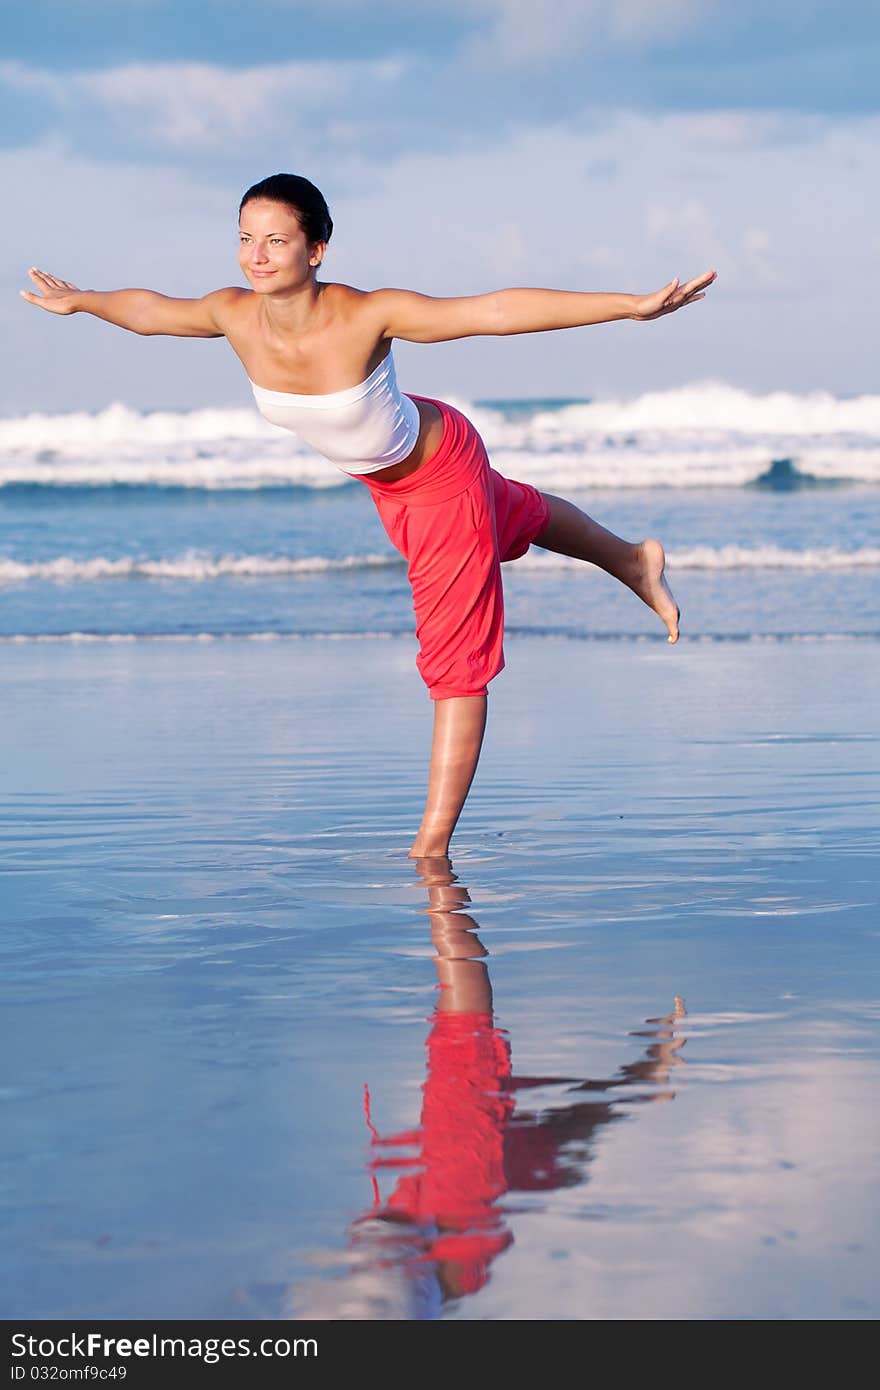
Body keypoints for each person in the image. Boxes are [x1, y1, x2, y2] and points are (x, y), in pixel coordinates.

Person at [21, 172, 716, 858]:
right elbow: (148, 312)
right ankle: (632, 559)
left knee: (454, 661)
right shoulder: (233, 313)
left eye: (276, 240)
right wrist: (82, 301)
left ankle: (430, 848)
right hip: (397, 483)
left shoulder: (364, 314)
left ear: (316, 250)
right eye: (245, 239)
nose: (256, 255)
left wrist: (628, 306)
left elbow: (494, 311)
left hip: (438, 477)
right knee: (513, 514)